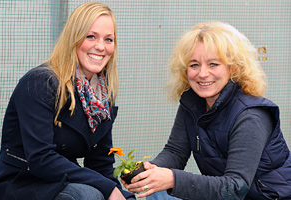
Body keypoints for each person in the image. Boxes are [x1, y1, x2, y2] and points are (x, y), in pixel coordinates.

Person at [122, 21, 291, 200]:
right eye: (194, 65)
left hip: (264, 197)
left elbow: (235, 187)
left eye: (213, 64)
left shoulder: (251, 115)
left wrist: (172, 179)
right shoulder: (193, 103)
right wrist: (148, 174)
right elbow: (175, 152)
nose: (202, 74)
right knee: (154, 195)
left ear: (233, 68)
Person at [0, 2, 135, 200]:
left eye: (108, 39)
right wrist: (107, 188)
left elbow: (100, 162)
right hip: (22, 182)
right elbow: (41, 159)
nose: (101, 47)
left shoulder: (101, 95)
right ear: (73, 38)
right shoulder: (40, 82)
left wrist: (120, 193)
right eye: (90, 36)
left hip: (62, 182)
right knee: (89, 195)